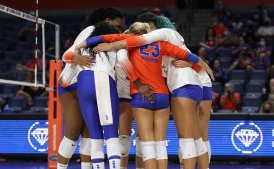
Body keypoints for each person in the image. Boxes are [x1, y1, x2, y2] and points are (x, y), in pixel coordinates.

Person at [81, 14, 213, 169]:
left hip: (155, 91)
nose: (150, 32)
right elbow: (188, 55)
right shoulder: (163, 45)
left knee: (160, 142)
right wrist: (200, 65)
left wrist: (107, 45)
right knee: (194, 138)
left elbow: (125, 48)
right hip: (186, 88)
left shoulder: (160, 35)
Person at [57, 8, 125, 169]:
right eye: (119, 25)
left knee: (90, 132)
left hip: (87, 81)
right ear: (108, 21)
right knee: (73, 132)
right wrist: (77, 58)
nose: (120, 29)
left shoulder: (109, 39)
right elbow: (70, 53)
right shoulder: (91, 30)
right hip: (71, 83)